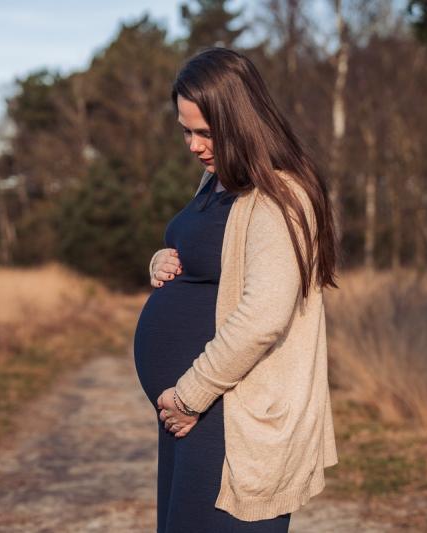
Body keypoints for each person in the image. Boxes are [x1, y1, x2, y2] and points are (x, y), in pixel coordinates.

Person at [133, 47, 339, 532]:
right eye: (186, 130)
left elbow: (264, 314)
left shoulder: (280, 196)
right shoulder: (217, 181)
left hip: (226, 413)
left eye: (205, 132)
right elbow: (209, 256)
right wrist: (164, 262)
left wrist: (189, 396)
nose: (193, 145)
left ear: (242, 121)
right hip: (198, 416)